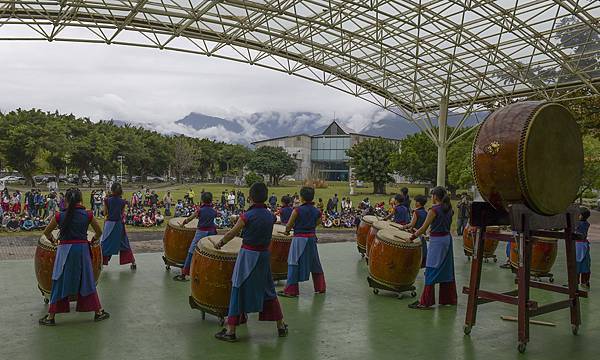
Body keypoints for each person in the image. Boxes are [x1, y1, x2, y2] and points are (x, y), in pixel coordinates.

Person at [213, 182, 288, 342]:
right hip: (263, 256)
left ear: (250, 197)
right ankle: (281, 325)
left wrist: (220, 244)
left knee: (238, 287)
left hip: (248, 255)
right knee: (268, 290)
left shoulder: (247, 216)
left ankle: (231, 331)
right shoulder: (271, 216)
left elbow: (232, 233)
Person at [38, 188, 110, 326]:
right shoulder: (87, 214)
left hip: (64, 251)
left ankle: (50, 317)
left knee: (59, 280)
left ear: (66, 200)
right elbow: (99, 232)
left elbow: (46, 232)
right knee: (87, 280)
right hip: (82, 250)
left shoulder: (59, 216)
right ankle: (98, 312)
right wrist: (94, 239)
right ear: (80, 199)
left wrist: (54, 241)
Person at [408, 186, 457, 310]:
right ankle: (448, 299)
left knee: (431, 269)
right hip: (446, 239)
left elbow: (424, 228)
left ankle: (426, 302)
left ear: (435, 196)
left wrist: (411, 237)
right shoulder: (450, 209)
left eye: (432, 195)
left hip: (437, 242)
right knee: (446, 269)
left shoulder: (434, 210)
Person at [279, 186, 326, 298]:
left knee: (293, 262)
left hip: (299, 239)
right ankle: (320, 287)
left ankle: (291, 290)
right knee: (315, 263)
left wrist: (286, 231)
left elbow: (289, 225)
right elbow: (318, 222)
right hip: (311, 238)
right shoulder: (317, 211)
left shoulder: (297, 210)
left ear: (302, 197)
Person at [174, 192, 218, 281]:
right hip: (212, 232)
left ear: (202, 200)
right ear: (211, 200)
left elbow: (190, 218)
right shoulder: (214, 211)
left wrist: (183, 223)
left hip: (201, 232)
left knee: (191, 250)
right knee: (210, 252)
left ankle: (184, 273)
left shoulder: (200, 210)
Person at [100, 183, 136, 269]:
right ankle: (133, 262)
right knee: (124, 243)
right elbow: (122, 213)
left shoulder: (107, 200)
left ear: (112, 190)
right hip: (119, 225)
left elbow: (105, 213)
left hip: (109, 225)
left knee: (105, 243)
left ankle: (101, 263)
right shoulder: (123, 201)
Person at [400, 195, 429, 268]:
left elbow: (412, 224)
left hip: (415, 235)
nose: (415, 203)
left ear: (418, 203)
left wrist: (404, 226)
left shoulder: (416, 212)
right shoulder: (426, 212)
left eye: (416, 201)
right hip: (422, 235)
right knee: (422, 252)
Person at [575, 207, 591, 289]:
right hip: (584, 245)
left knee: (576, 264)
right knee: (585, 264)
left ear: (580, 216)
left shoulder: (577, 224)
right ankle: (585, 282)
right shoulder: (587, 223)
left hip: (578, 246)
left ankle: (574, 282)